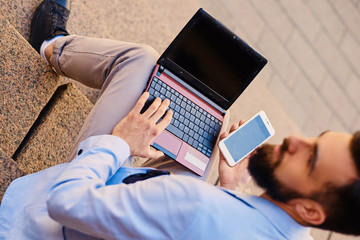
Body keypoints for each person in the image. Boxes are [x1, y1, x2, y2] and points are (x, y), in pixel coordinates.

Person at [0, 0, 359, 239]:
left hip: (39, 222)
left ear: (311, 210)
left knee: (140, 60)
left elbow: (65, 200)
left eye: (310, 158)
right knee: (212, 130)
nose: (297, 140)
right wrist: (230, 187)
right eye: (318, 137)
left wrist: (121, 142)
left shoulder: (189, 202)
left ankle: (51, 43)